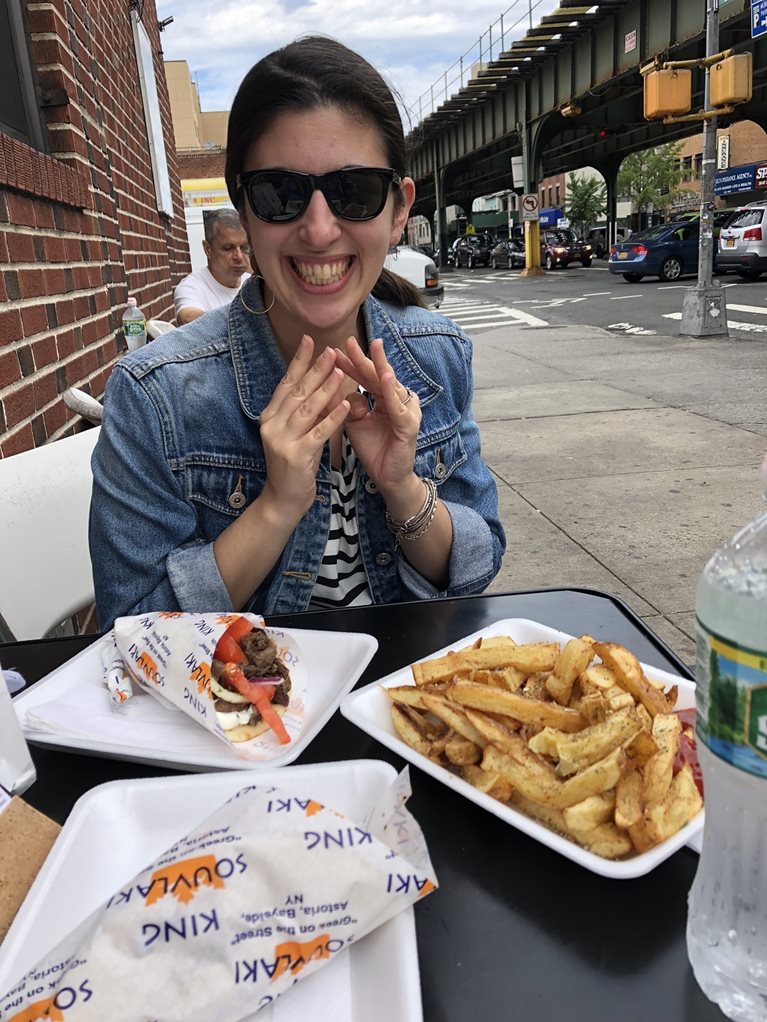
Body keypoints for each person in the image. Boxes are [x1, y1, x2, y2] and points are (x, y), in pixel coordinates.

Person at [89, 36, 505, 629]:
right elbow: (129, 626)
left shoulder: (438, 355)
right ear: (244, 209)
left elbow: (476, 564)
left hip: (406, 713)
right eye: (280, 194)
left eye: (354, 192)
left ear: (397, 209)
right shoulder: (154, 396)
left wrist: (403, 488)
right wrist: (277, 506)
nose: (317, 229)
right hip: (236, 717)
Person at [173, 209, 251, 324]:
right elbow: (187, 317)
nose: (239, 256)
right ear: (207, 249)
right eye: (228, 248)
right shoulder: (192, 287)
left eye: (244, 247)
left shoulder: (255, 283)